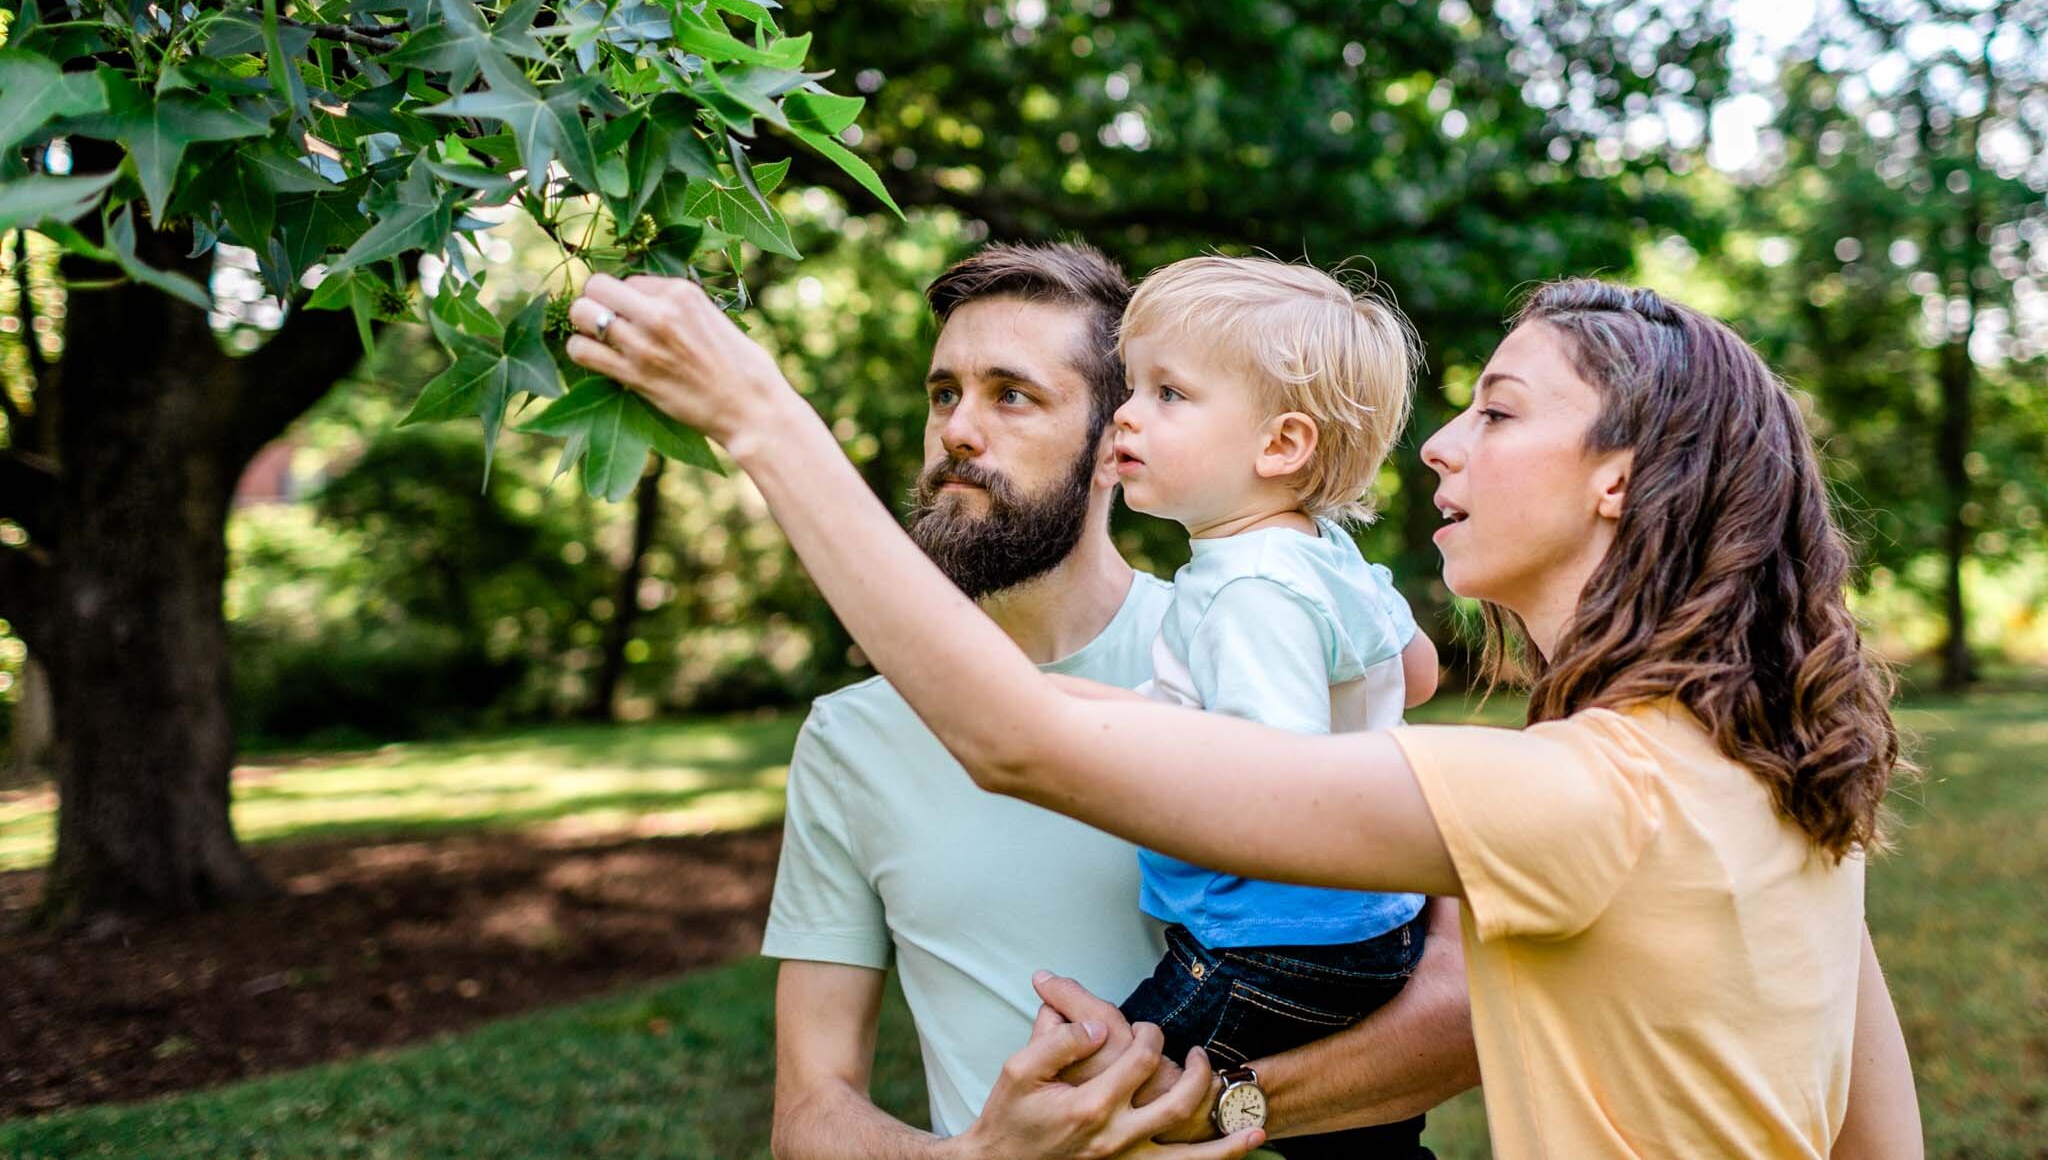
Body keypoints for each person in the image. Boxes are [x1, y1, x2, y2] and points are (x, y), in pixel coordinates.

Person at [567, 268, 1925, 1157]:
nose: (1438, 446)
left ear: (1620, 479)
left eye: (1495, 412)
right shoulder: (1782, 780)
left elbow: (1018, 737)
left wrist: (756, 415)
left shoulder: (1582, 793)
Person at [738, 242, 1478, 1158]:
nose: (958, 431)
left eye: (1012, 394)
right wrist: (979, 1158)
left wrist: (1204, 1110)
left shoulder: (1251, 632)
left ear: (1109, 444)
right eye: (944, 393)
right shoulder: (849, 737)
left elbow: (1458, 1015)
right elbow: (809, 1109)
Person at [1098, 256, 1438, 1157]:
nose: (1126, 412)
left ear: (1280, 446)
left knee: (1101, 1100)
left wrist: (1130, 741)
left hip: (1270, 943)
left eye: (1169, 392)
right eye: (1132, 386)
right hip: (1374, 926)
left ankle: (1224, 1108)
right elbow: (1422, 668)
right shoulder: (1323, 554)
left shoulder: (1250, 588)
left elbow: (1273, 785)